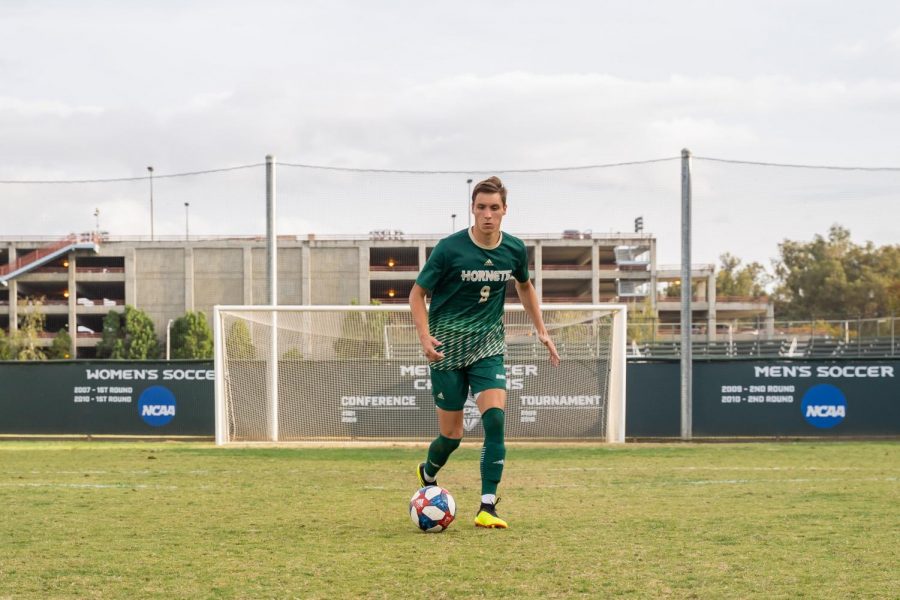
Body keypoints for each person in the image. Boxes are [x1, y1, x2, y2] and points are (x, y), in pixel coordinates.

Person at [409, 175, 560, 529]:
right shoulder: (449, 249)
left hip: (488, 346)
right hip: (446, 349)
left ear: (505, 210)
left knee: (495, 420)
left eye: (494, 208)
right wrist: (424, 336)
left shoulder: (515, 249)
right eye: (481, 208)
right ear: (472, 210)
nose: (488, 215)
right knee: (452, 436)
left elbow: (524, 286)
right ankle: (428, 472)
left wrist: (541, 329)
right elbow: (417, 295)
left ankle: (487, 507)